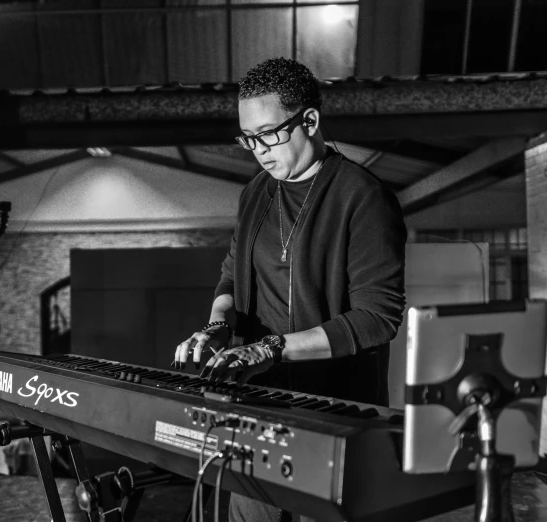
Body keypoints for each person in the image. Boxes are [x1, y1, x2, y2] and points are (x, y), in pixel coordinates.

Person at [172, 57, 407, 522]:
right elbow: (230, 277)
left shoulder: (362, 197)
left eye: (268, 133)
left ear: (310, 121)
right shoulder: (256, 191)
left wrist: (271, 349)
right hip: (257, 411)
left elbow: (378, 318)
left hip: (332, 418)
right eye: (247, 137)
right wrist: (219, 325)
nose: (257, 149)